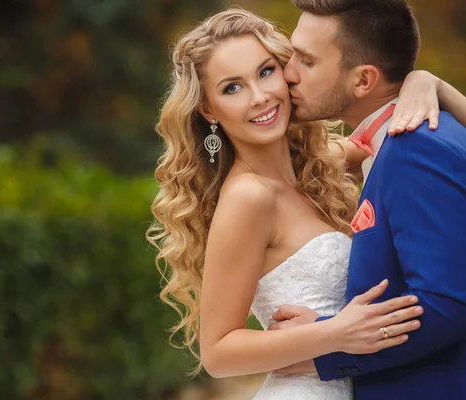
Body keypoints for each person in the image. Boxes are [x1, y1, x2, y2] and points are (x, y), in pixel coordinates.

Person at [146, 7, 466, 400]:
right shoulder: (249, 197)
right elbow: (218, 353)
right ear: (208, 110)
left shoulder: (322, 165)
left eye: (265, 72)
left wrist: (425, 82)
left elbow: (398, 130)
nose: (260, 96)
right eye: (232, 88)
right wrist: (332, 333)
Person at [268, 0, 466, 399]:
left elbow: (447, 305)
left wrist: (321, 347)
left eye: (306, 61)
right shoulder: (393, 143)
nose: (287, 75)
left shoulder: (415, 148)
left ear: (363, 80)